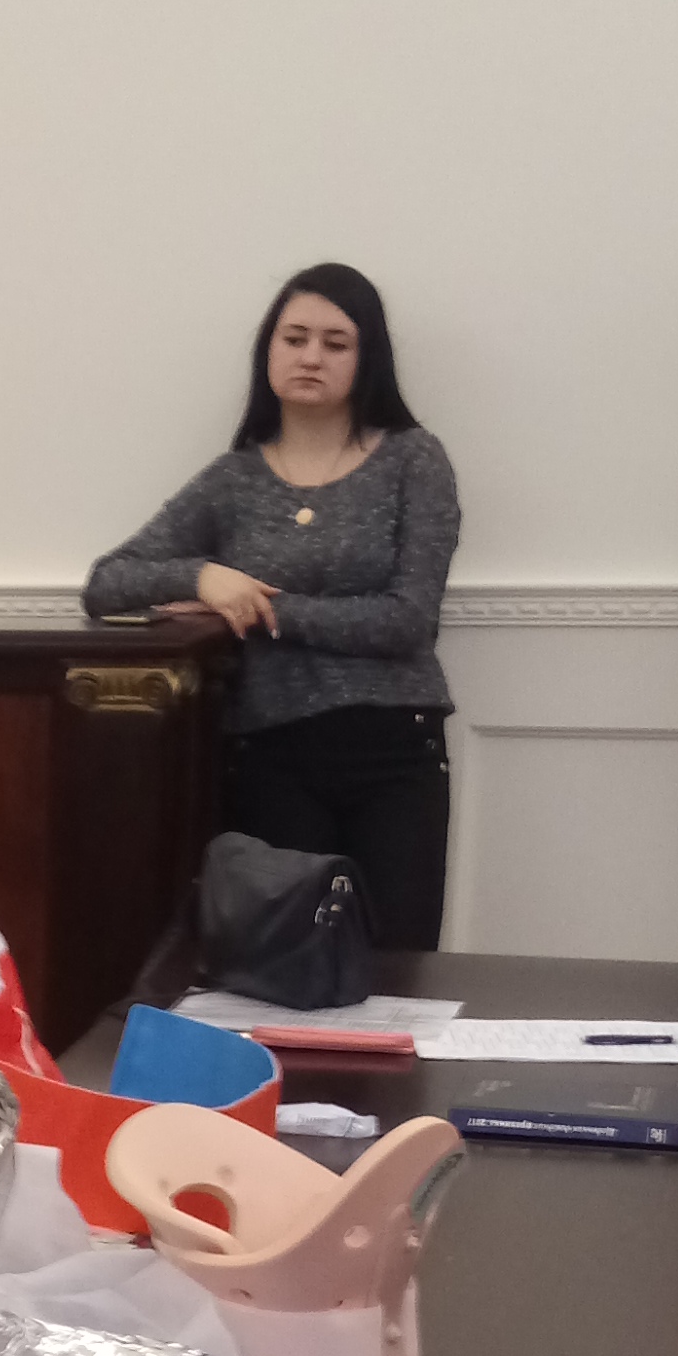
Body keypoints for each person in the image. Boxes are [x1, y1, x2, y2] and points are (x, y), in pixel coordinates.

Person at [80, 262, 461, 950]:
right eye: (295, 338)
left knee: (399, 970)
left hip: (395, 752)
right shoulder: (232, 480)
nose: (311, 356)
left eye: (336, 343)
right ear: (269, 351)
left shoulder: (414, 461)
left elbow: (409, 620)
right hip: (271, 758)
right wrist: (204, 577)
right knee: (284, 972)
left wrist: (263, 608)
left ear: (367, 358)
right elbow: (107, 583)